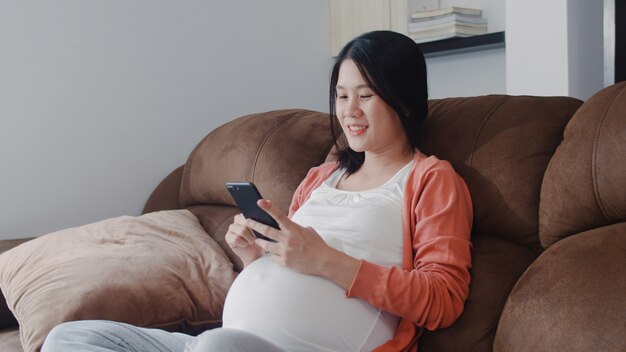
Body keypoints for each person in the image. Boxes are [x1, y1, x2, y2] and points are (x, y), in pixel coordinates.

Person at [42, 30, 473, 352]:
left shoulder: (430, 180)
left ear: (407, 101)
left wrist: (328, 261)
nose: (350, 111)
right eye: (341, 96)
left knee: (218, 348)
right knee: (72, 338)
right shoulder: (321, 177)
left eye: (366, 95)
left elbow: (444, 299)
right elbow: (286, 276)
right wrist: (254, 257)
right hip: (228, 344)